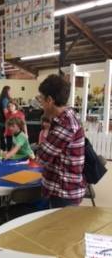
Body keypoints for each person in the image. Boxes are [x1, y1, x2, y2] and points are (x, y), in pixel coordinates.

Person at [36, 74, 86, 208]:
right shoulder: (67, 116)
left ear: (50, 100)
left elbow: (42, 158)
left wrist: (42, 147)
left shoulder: (65, 124)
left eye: (41, 99)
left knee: (61, 229)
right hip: (63, 190)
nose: (40, 103)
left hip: (64, 193)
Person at [0, 86, 11, 150]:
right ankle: (6, 151)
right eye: (9, 91)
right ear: (7, 91)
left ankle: (3, 150)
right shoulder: (5, 99)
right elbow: (5, 112)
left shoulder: (1, 98)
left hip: (1, 119)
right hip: (4, 120)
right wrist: (9, 120)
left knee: (2, 137)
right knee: (7, 137)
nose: (10, 92)